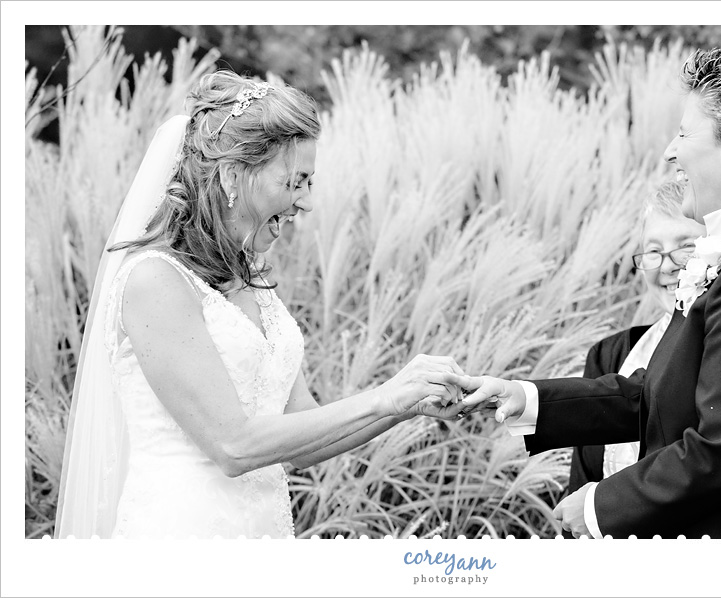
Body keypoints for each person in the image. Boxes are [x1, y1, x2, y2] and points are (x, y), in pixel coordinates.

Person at [455, 43, 721, 539]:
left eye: (686, 133)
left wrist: (599, 505)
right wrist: (525, 397)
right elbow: (662, 395)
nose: (671, 150)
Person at [55, 71, 465, 539]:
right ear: (233, 175)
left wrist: (406, 405)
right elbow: (233, 444)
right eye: (296, 182)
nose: (307, 202)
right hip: (183, 541)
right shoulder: (156, 281)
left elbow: (298, 435)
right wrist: (384, 395)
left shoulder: (252, 274)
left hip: (263, 533)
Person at [567, 182, 705, 499]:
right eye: (654, 251)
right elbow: (582, 484)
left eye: (686, 246)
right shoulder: (608, 357)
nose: (667, 266)